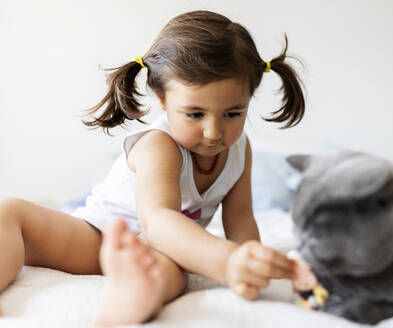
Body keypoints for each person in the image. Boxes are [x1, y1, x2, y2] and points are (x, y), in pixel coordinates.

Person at [0, 10, 305, 326]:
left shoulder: (241, 150)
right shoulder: (159, 145)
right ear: (161, 98)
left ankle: (132, 295)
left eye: (232, 114)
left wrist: (252, 261)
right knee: (10, 212)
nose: (214, 132)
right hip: (96, 238)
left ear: (249, 99)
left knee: (172, 271)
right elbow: (159, 221)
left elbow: (240, 218)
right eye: (195, 114)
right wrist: (227, 261)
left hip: (159, 252)